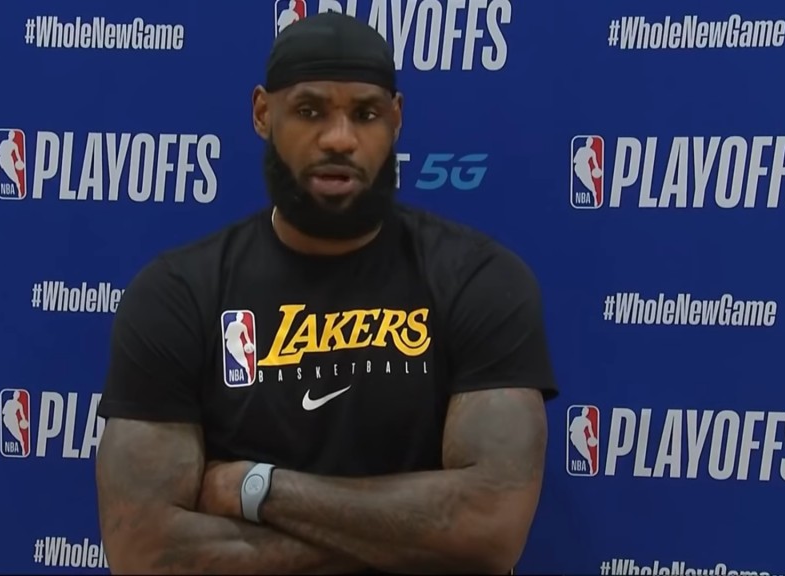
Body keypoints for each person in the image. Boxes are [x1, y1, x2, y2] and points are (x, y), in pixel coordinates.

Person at [95, 11, 558, 575]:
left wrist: (256, 489)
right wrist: (412, 539)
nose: (340, 138)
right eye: (309, 111)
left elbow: (488, 530)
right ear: (263, 113)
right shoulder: (179, 294)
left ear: (396, 119)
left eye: (366, 114)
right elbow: (145, 552)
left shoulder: (478, 280)